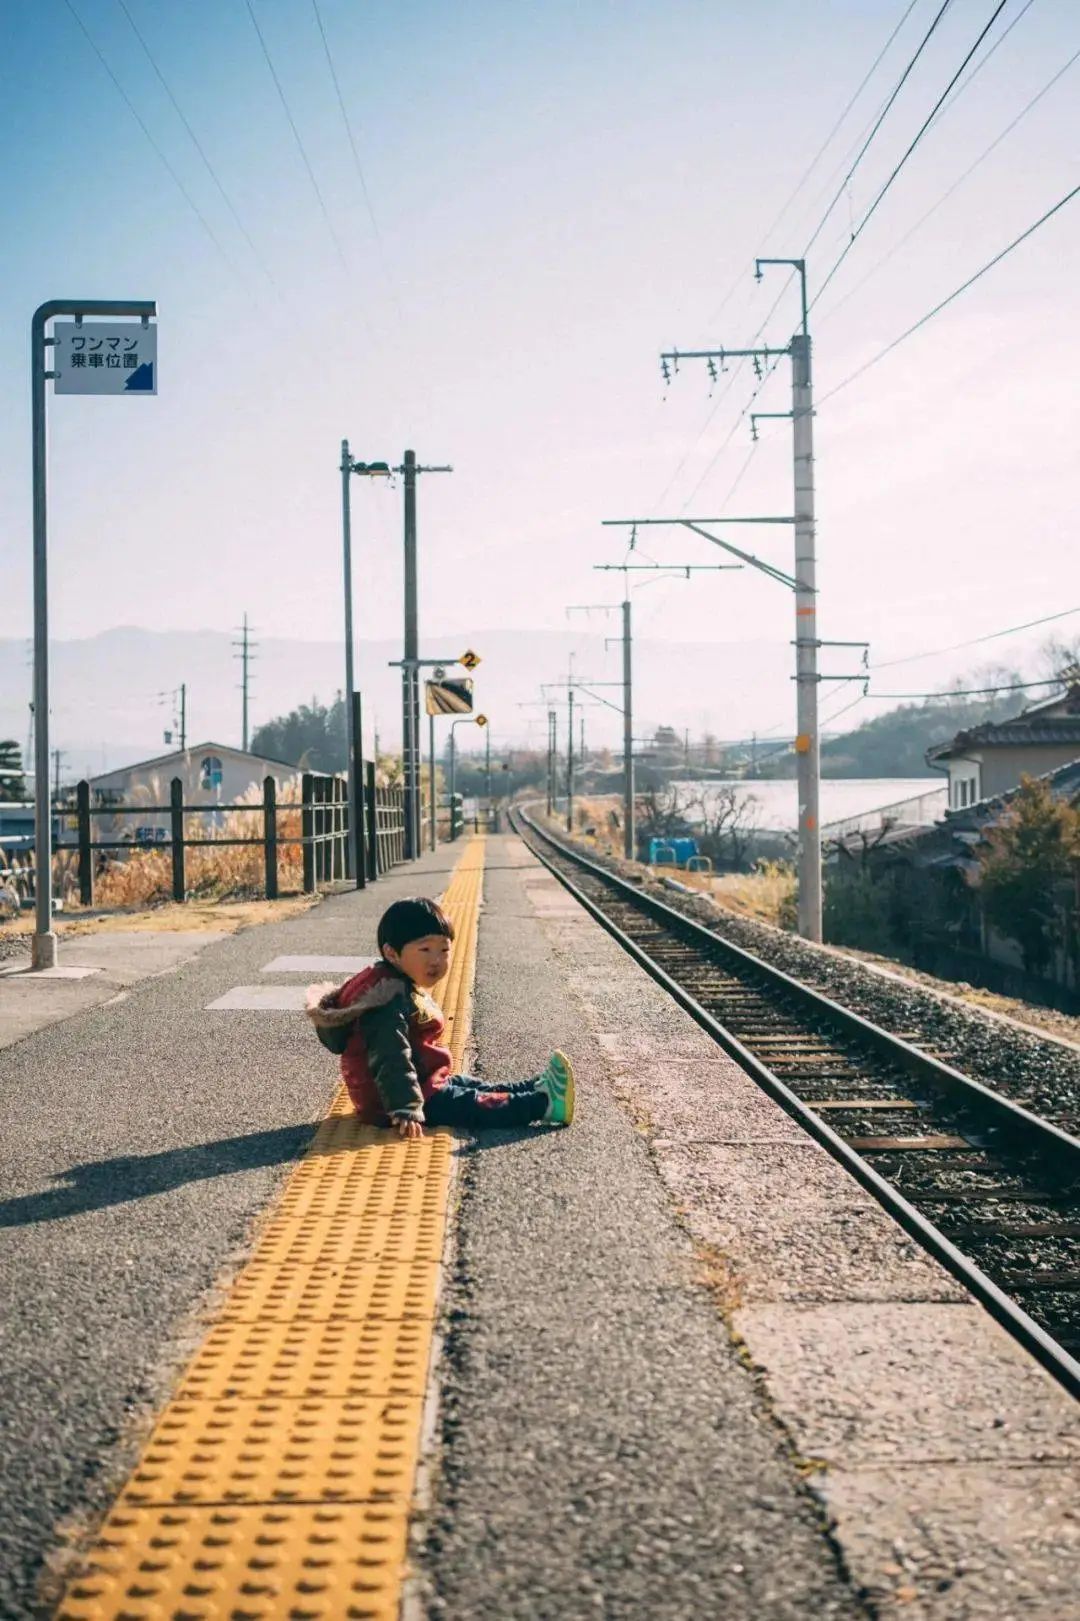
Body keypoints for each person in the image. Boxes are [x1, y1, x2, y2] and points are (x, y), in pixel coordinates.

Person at [306, 896, 574, 1137]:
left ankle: (533, 1087)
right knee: (471, 1104)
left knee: (465, 1085)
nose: (436, 960)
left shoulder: (387, 980)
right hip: (394, 1101)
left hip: (415, 1085)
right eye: (425, 950)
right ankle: (544, 1104)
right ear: (392, 953)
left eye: (444, 950)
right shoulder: (385, 998)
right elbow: (390, 1054)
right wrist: (405, 1107)